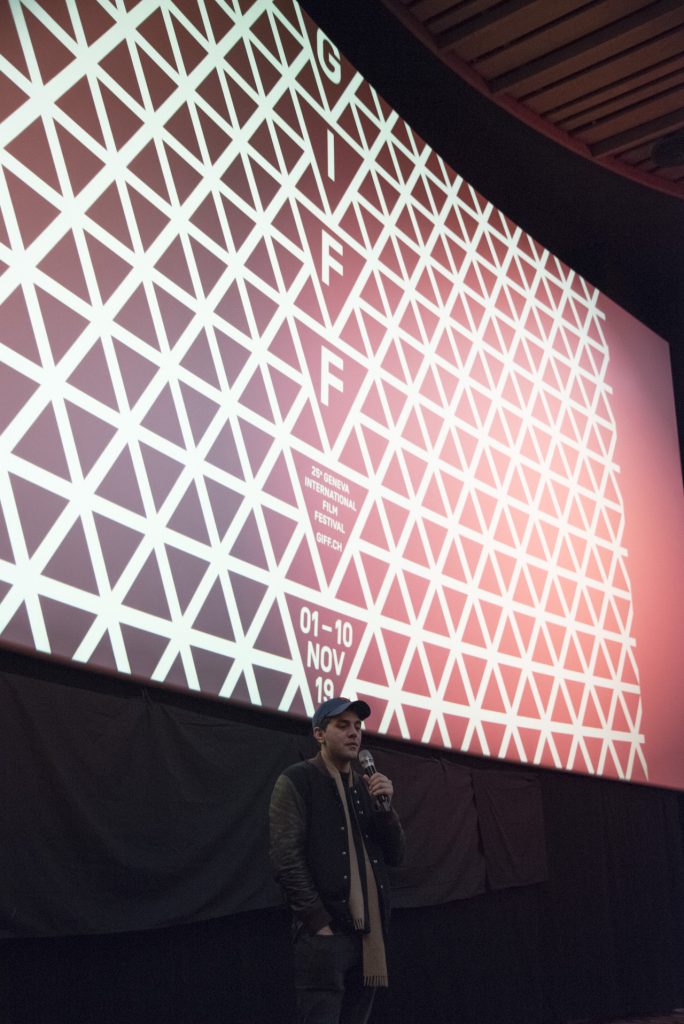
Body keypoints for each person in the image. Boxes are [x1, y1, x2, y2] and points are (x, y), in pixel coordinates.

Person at [269, 697, 405, 1024]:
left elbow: (396, 855)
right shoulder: (298, 779)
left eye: (357, 726)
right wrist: (319, 924)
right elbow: (286, 858)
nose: (354, 733)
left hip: (369, 937)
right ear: (319, 734)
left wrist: (385, 809)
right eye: (342, 726)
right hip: (324, 937)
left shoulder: (366, 787)